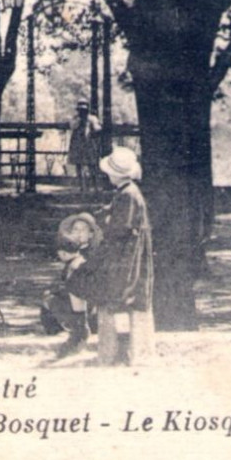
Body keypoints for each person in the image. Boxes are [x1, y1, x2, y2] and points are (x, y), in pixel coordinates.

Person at [94, 147, 154, 366]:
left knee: (121, 294)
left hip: (126, 255)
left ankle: (122, 351)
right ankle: (123, 350)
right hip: (126, 251)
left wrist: (104, 222)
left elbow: (121, 228)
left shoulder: (128, 194)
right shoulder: (126, 191)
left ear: (116, 174)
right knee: (122, 295)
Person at [44, 212, 101, 359]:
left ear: (91, 234)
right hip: (76, 297)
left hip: (90, 302)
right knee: (50, 298)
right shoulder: (71, 249)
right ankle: (68, 330)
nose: (78, 233)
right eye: (75, 230)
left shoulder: (95, 252)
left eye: (83, 230)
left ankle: (79, 330)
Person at [65, 101, 103, 190]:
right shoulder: (75, 119)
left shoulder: (92, 119)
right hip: (78, 144)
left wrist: (96, 127)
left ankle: (95, 186)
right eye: (81, 110)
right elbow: (72, 126)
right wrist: (79, 121)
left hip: (89, 144)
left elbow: (97, 128)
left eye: (84, 110)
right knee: (79, 165)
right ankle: (82, 186)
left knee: (92, 165)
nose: (83, 113)